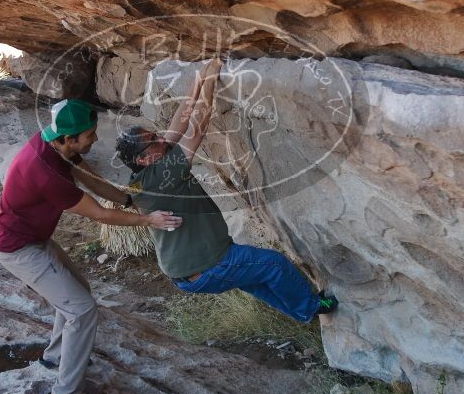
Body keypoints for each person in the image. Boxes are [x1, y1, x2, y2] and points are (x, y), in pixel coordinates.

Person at [0, 98, 182, 394]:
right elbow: (97, 213)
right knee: (82, 308)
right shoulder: (46, 172)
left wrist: (128, 199)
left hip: (33, 239)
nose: (94, 139)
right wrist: (149, 220)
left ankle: (56, 356)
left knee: (78, 288)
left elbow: (90, 178)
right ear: (68, 138)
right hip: (18, 248)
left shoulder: (54, 143)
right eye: (89, 135)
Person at [115, 59, 339, 324]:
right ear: (142, 158)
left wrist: (196, 84)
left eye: (154, 135)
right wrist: (210, 81)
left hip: (191, 270)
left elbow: (177, 126)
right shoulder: (164, 174)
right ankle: (314, 306)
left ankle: (302, 312)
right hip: (207, 267)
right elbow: (197, 128)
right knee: (274, 264)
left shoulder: (145, 172)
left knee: (258, 279)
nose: (160, 139)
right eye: (152, 140)